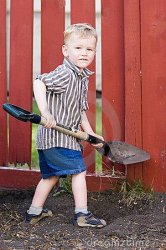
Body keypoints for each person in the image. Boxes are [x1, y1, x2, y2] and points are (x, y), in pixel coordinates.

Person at [25, 23, 106, 228]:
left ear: (94, 52)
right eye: (78, 48)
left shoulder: (81, 77)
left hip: (55, 139)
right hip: (57, 137)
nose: (84, 53)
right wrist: (45, 111)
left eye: (89, 49)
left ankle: (34, 212)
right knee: (79, 171)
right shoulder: (65, 73)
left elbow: (79, 111)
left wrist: (91, 134)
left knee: (50, 176)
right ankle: (82, 214)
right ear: (65, 50)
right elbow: (39, 82)